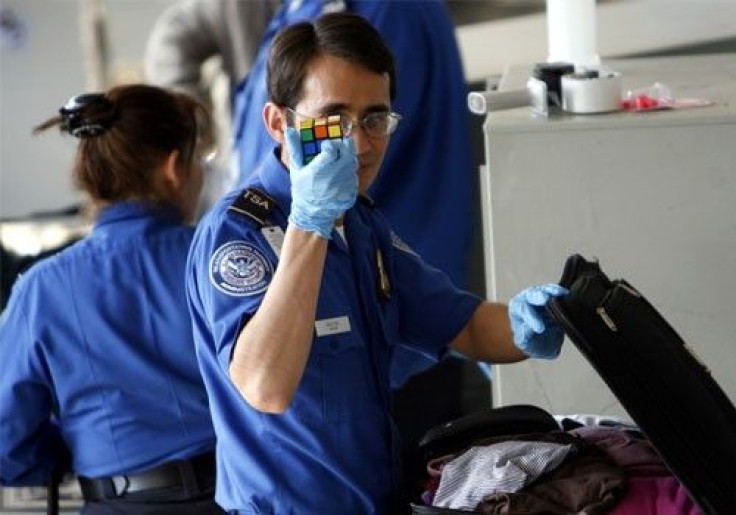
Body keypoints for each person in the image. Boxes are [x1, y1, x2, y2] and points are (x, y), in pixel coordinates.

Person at [185, 12, 567, 514]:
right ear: (279, 123)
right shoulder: (240, 232)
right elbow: (266, 386)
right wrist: (309, 223)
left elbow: (465, 325)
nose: (360, 144)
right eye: (334, 118)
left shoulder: (361, 225)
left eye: (375, 118)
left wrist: (529, 324)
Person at [0, 84, 222, 514]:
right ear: (174, 167)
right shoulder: (222, 261)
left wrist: (64, 451)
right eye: (199, 158)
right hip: (239, 497)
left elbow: (6, 442)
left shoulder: (42, 289)